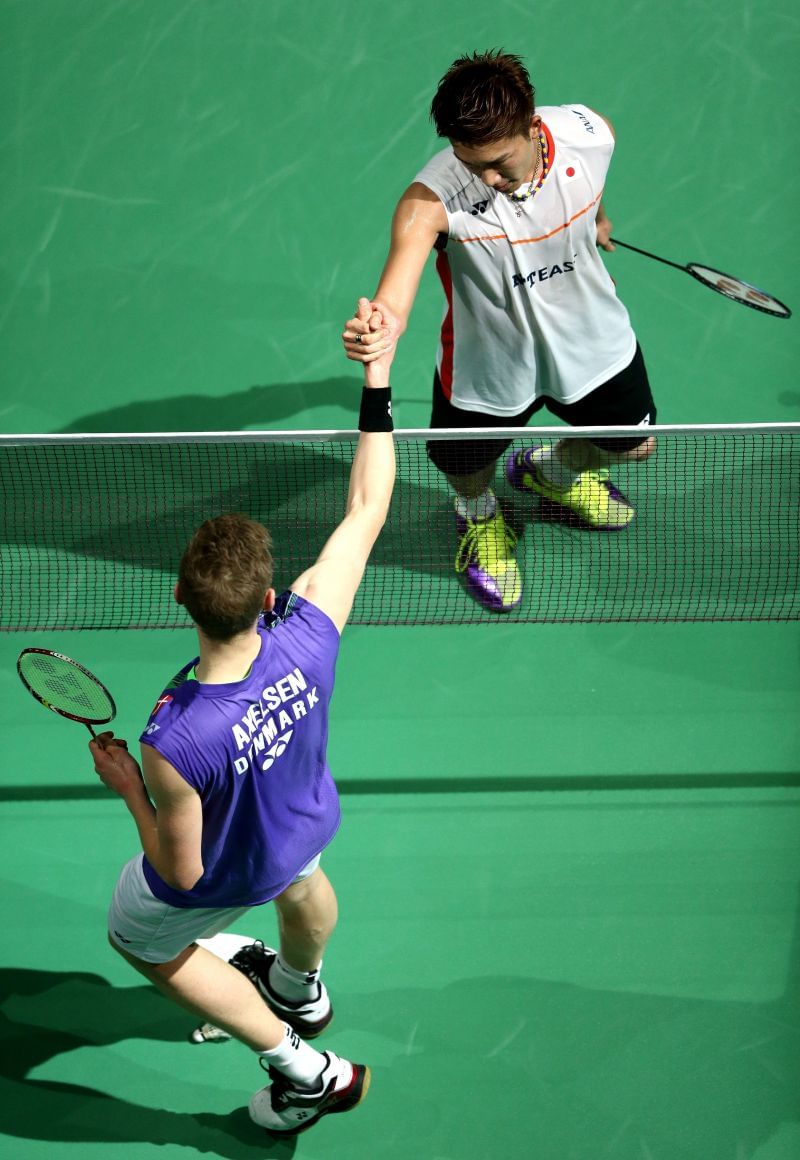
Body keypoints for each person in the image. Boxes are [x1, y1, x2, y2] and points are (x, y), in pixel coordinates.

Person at [89, 299, 395, 1137]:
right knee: (303, 882)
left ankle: (304, 1070)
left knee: (140, 941)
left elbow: (182, 878)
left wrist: (126, 786)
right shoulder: (310, 630)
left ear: (179, 596)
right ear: (267, 597)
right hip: (304, 824)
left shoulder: (173, 739)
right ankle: (302, 987)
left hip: (233, 869)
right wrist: (377, 370)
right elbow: (367, 508)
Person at [343, 50, 656, 613]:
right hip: (487, 365)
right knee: (465, 470)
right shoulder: (431, 200)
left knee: (634, 445)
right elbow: (395, 293)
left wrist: (598, 218)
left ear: (533, 127)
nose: (486, 178)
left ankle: (550, 472)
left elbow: (592, 179)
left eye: (499, 162)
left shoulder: (591, 135)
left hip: (591, 343)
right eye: (470, 163)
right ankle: (480, 514)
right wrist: (378, 327)